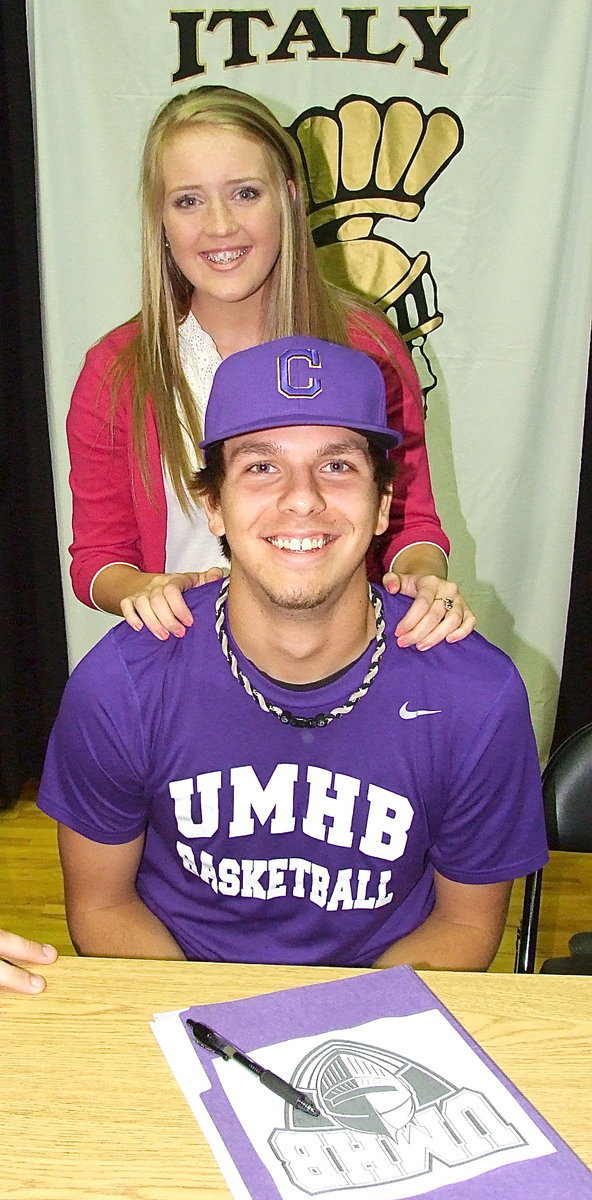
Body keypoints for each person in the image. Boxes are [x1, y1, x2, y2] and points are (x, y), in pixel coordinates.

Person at [40, 337, 547, 971]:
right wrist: (221, 1030)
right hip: (179, 996)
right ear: (214, 506)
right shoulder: (124, 681)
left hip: (387, 1008)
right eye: (261, 466)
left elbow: (465, 925)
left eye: (337, 466)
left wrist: (329, 1042)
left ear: (384, 503)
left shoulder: (473, 691)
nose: (302, 498)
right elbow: (102, 910)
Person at [67, 84, 475, 650]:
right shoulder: (118, 370)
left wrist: (426, 579)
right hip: (189, 661)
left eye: (244, 193)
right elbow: (97, 560)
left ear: (287, 197)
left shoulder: (367, 347)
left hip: (347, 661)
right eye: (188, 200)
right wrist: (148, 588)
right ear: (159, 218)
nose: (219, 226)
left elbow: (411, 520)